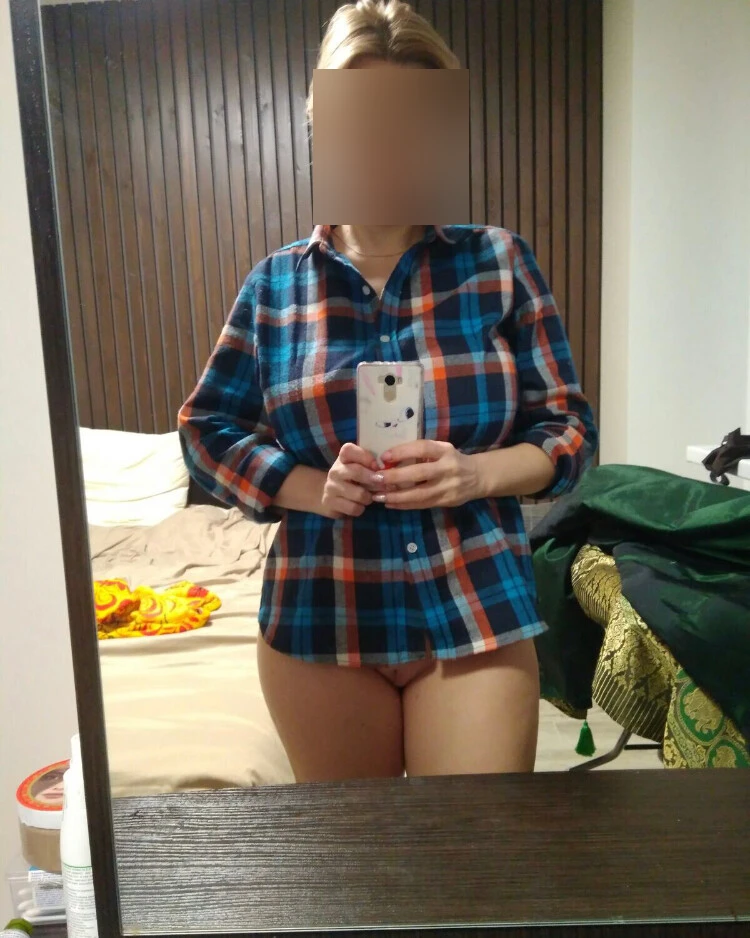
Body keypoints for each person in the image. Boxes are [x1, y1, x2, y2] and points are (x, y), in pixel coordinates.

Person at [178, 0, 598, 783]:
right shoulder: (274, 287)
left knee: (474, 849)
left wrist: (473, 474)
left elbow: (569, 429)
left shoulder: (499, 264)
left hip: (475, 603)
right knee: (355, 857)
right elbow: (206, 428)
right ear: (322, 130)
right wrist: (308, 486)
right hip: (320, 616)